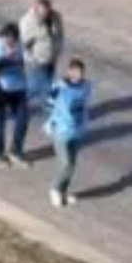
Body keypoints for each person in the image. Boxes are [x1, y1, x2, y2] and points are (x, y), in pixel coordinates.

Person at [44, 57, 92, 209]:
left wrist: (84, 122)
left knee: (72, 165)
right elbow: (48, 104)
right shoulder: (59, 87)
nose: (78, 75)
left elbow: (84, 105)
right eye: (75, 71)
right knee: (66, 163)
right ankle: (54, 189)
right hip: (61, 131)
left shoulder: (86, 86)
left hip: (76, 130)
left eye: (80, 72)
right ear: (69, 71)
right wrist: (54, 121)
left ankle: (63, 193)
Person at [0, 22, 30, 168]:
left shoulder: (19, 47)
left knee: (23, 118)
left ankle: (16, 151)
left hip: (17, 87)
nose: (11, 41)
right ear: (2, 35)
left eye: (14, 39)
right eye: (8, 38)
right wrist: (5, 59)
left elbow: (23, 65)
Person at [20, 0, 65, 105]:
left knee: (37, 87)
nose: (44, 15)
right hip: (37, 60)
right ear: (35, 9)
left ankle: (20, 101)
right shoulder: (27, 22)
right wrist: (33, 60)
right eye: (42, 12)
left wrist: (58, 50)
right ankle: (52, 111)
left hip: (52, 57)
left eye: (47, 11)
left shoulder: (56, 17)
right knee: (45, 87)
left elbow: (60, 34)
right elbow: (25, 45)